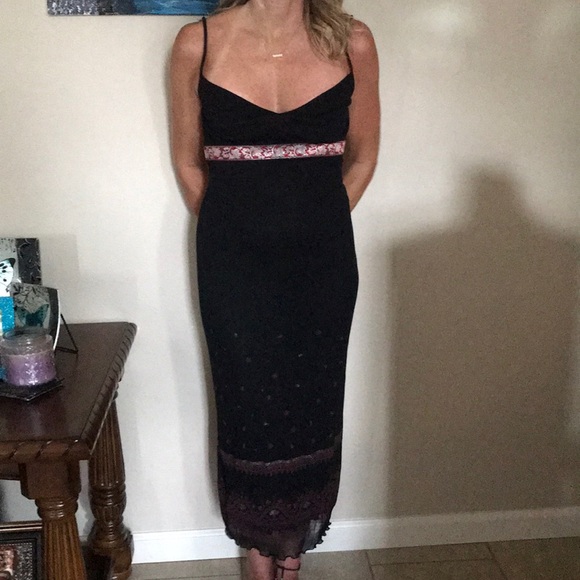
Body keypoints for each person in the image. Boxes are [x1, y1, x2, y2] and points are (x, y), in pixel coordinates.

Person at [170, 0, 379, 578]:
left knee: (314, 402)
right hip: (232, 262)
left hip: (323, 262)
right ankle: (257, 555)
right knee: (246, 404)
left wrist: (314, 223)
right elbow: (188, 162)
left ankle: (292, 557)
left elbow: (363, 154)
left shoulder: (353, 41)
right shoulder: (197, 42)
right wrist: (239, 229)